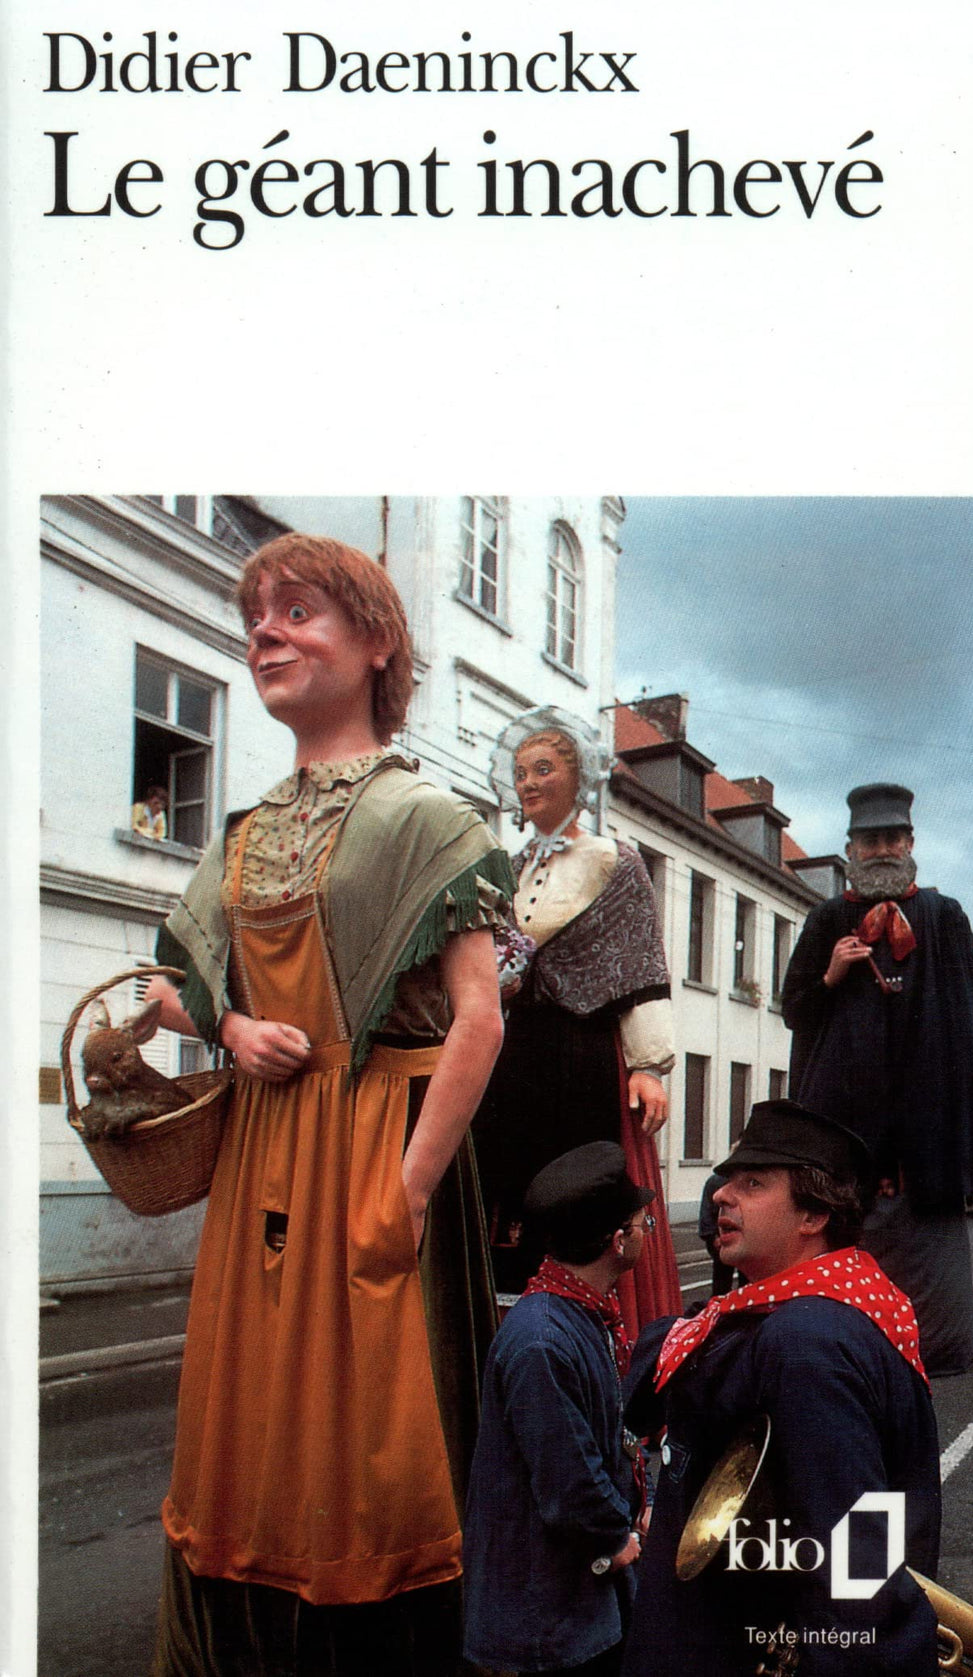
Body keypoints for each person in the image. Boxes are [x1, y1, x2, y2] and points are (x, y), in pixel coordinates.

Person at [142, 533, 515, 1676]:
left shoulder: (429, 818)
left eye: (297, 611)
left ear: (377, 643)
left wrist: (408, 1191)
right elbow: (169, 989)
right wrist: (232, 1029)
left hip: (373, 1147)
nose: (265, 631)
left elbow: (480, 1018)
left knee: (370, 1441)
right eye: (256, 616)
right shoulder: (244, 833)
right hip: (263, 1152)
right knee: (251, 1420)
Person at [622, 1099, 941, 1677]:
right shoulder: (819, 1309)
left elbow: (858, 1565)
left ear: (813, 1215)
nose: (721, 1195)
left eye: (753, 1183)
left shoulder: (806, 1341)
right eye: (728, 1180)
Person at [472, 706, 681, 1335]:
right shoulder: (507, 869)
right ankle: (510, 1325)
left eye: (543, 769)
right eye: (521, 773)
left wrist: (648, 1066)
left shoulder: (614, 861)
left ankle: (586, 1322)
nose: (530, 783)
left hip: (582, 1052)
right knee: (506, 1186)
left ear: (578, 777)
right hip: (513, 1054)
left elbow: (639, 963)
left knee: (578, 1186)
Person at [781, 782, 973, 1376]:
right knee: (845, 1264)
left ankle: (930, 1360)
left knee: (932, 1303)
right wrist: (830, 974)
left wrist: (954, 1096)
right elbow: (794, 1011)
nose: (881, 850)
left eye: (891, 838)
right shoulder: (827, 919)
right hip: (847, 1132)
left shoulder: (944, 917)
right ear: (851, 847)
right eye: (869, 840)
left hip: (926, 1137)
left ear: (910, 843)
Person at [463, 1141, 652, 1677]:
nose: (646, 1230)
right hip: (544, 1619)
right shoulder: (542, 1341)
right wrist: (618, 1536)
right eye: (642, 1223)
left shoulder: (578, 1312)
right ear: (618, 1241)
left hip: (569, 1604)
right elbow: (570, 1480)